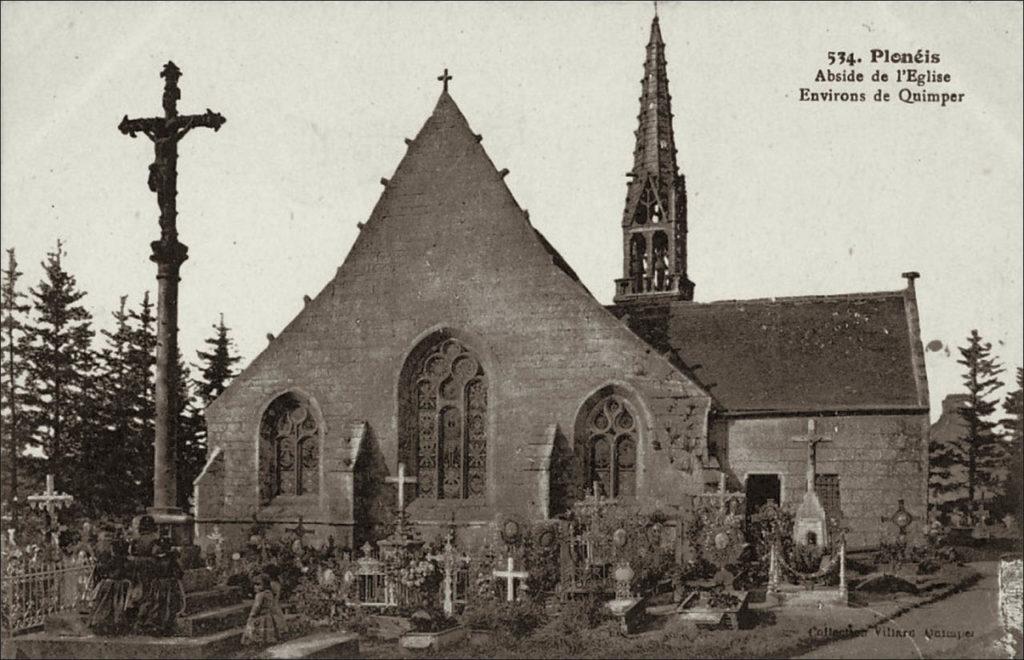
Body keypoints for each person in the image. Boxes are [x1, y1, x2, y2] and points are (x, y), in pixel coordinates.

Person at [134, 534, 186, 636]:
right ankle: (164, 625)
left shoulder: (154, 560)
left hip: (156, 584)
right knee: (167, 604)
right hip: (168, 585)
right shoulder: (172, 560)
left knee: (154, 602)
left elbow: (150, 572)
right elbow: (179, 573)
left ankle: (151, 623)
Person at [87, 528, 131, 635]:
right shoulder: (124, 560)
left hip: (112, 584)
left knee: (106, 603)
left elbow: (106, 570)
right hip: (119, 584)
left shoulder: (114, 560)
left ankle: (102, 621)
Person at [241, 573, 286, 645]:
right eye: (255, 585)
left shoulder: (259, 595)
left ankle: (255, 641)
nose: (255, 587)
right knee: (267, 631)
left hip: (261, 616)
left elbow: (256, 607)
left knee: (254, 626)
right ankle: (267, 640)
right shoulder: (269, 593)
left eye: (258, 585)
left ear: (265, 585)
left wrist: (252, 615)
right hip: (268, 616)